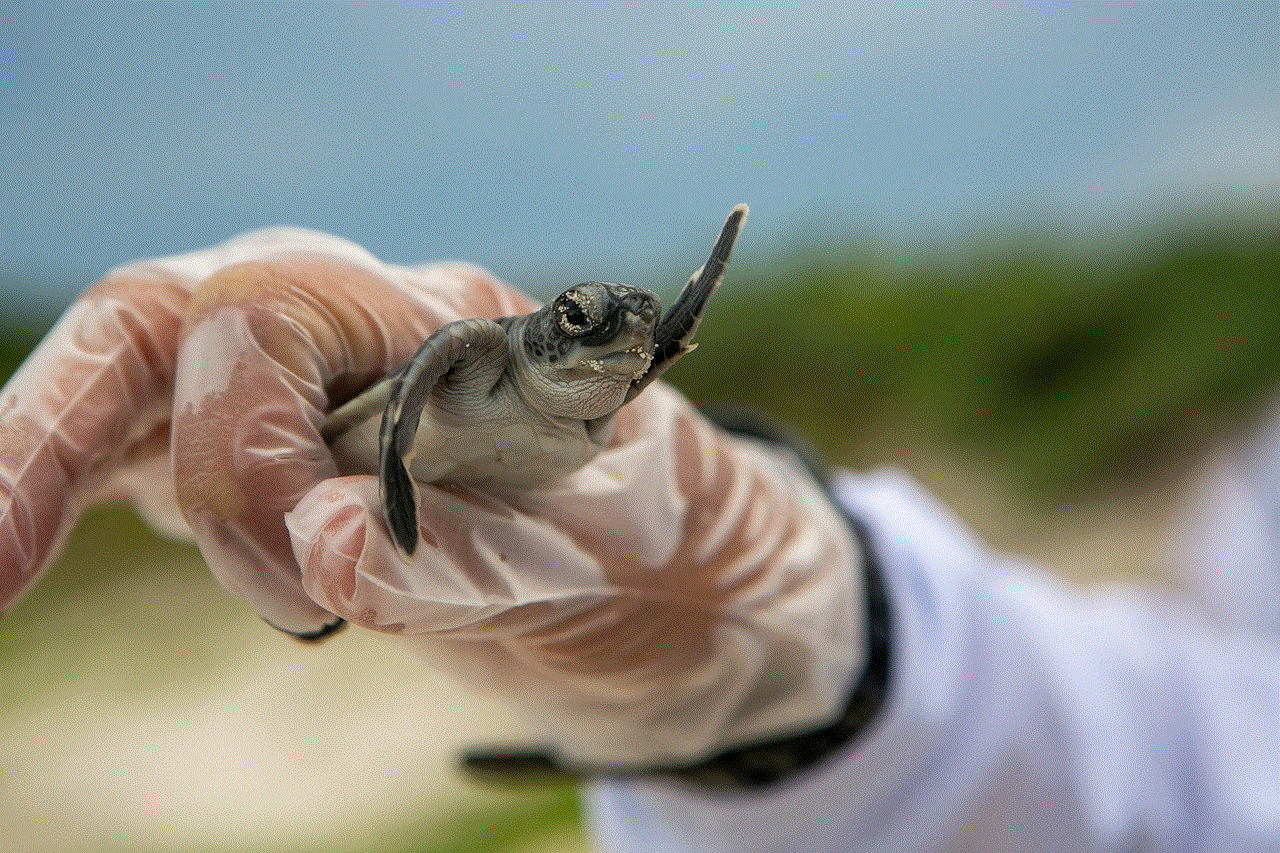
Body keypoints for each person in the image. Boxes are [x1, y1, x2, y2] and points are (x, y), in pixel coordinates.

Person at [0, 227, 1276, 853]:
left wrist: (765, 617)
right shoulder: (1246, 511)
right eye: (583, 317)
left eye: (635, 328)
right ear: (549, 326)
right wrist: (848, 664)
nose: (614, 330)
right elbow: (1190, 749)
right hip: (408, 442)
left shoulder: (626, 364)